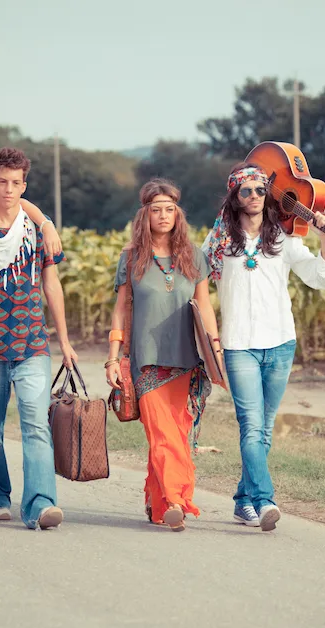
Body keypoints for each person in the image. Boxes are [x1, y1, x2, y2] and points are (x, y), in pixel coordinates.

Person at [203, 163, 325, 532]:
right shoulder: (218, 242)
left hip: (280, 342)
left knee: (264, 431)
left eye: (260, 190)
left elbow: (322, 278)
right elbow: (192, 279)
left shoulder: (284, 239)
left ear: (268, 195)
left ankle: (242, 501)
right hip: (238, 346)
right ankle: (264, 501)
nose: (253, 197)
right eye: (245, 191)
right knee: (250, 426)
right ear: (234, 196)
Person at [0, 147, 77, 530]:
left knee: (35, 425)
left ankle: (40, 505)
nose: (9, 189)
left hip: (32, 343)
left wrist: (64, 341)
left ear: (24, 185)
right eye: (3, 182)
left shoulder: (36, 232)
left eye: (17, 183)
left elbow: (52, 285)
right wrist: (41, 214)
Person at [106, 178, 220, 532]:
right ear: (145, 215)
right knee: (162, 434)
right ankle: (175, 499)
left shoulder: (194, 255)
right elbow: (121, 309)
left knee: (177, 433)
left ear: (178, 213)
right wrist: (113, 357)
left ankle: (157, 504)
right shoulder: (132, 258)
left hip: (186, 361)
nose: (163, 215)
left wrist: (216, 351)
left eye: (169, 209)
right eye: (156, 210)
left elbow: (204, 306)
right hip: (146, 361)